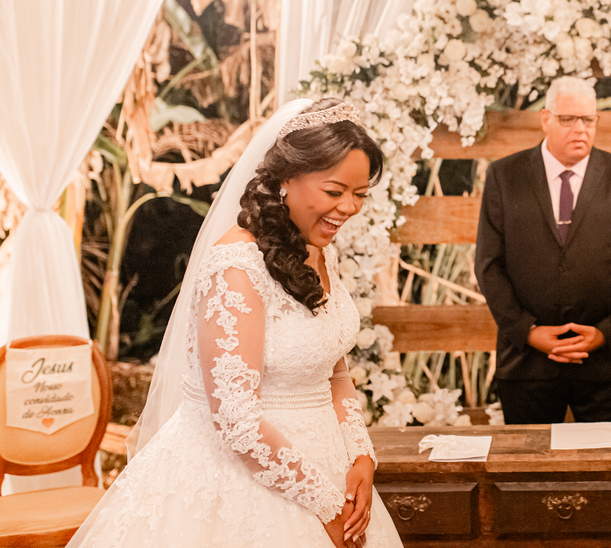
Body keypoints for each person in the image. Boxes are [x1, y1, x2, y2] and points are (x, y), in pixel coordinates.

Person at [69, 99, 404, 548]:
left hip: (328, 466)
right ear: (287, 179)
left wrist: (362, 455)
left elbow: (335, 371)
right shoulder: (237, 267)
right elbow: (236, 420)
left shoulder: (319, 249)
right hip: (244, 481)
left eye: (360, 195)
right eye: (334, 190)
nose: (348, 207)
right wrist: (325, 505)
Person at [475, 77, 611, 424]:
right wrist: (528, 332)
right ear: (546, 119)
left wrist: (607, 332)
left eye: (588, 120)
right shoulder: (504, 176)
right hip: (526, 362)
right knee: (529, 473)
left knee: (606, 472)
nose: (580, 129)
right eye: (568, 119)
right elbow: (489, 265)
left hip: (605, 364)